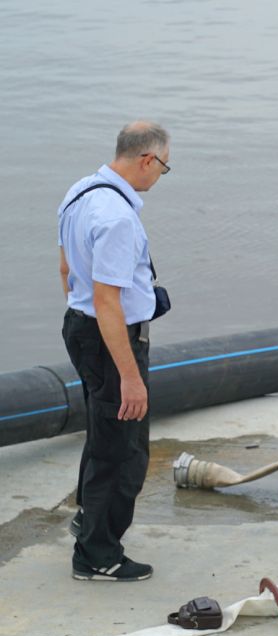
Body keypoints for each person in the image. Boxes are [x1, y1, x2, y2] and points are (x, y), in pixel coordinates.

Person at [58, 121, 171, 581]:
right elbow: (109, 301)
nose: (161, 175)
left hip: (82, 329)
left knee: (102, 434)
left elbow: (66, 268)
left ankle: (89, 522)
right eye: (164, 166)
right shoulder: (119, 218)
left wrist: (81, 316)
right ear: (146, 160)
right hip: (111, 338)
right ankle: (98, 554)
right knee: (123, 450)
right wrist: (128, 375)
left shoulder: (81, 191)